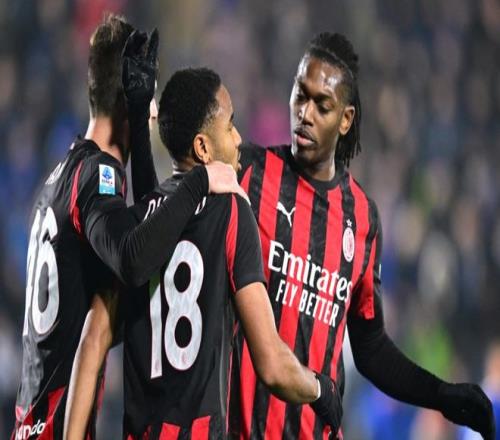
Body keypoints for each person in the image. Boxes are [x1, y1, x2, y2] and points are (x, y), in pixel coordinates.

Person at [230, 32, 496, 440]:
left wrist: (441, 394)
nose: (305, 113)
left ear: (346, 118)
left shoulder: (362, 218)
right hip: (242, 430)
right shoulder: (249, 172)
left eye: (323, 105)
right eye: (300, 95)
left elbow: (370, 349)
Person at [64, 67, 344, 440]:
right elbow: (273, 366)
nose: (239, 138)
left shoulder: (136, 230)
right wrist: (322, 390)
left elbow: (93, 337)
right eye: (230, 126)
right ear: (203, 148)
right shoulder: (231, 212)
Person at [12, 15, 242, 440]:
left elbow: (148, 230)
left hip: (31, 421)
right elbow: (133, 261)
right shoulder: (98, 175)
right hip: (56, 427)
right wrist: (199, 182)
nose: (152, 112)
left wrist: (135, 120)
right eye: (146, 97)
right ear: (128, 92)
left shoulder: (59, 179)